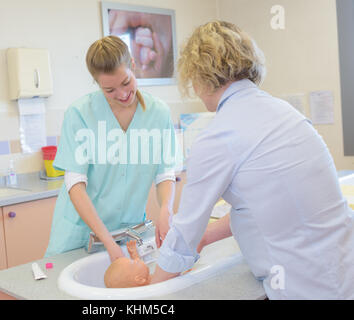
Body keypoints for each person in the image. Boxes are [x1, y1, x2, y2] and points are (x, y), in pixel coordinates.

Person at [150, 21, 354, 299]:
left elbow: (183, 236)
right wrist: (206, 235)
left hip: (307, 286)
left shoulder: (218, 137)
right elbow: (264, 205)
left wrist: (147, 292)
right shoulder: (284, 112)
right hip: (344, 269)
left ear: (199, 77)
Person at [44, 35, 176, 262]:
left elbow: (165, 173)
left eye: (126, 82)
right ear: (97, 84)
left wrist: (166, 209)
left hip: (131, 233)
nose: (122, 94)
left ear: (133, 66)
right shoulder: (80, 114)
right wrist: (107, 242)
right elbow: (75, 185)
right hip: (81, 236)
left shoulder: (159, 113)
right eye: (110, 90)